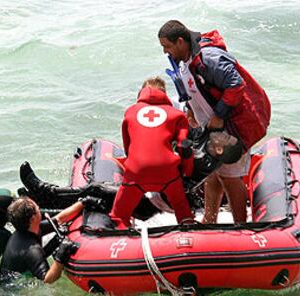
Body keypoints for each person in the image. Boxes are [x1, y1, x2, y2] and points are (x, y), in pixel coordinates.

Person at [158, 20, 271, 223]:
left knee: (229, 177)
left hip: (233, 127)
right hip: (211, 127)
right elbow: (195, 89)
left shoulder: (209, 59)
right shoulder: (185, 60)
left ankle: (240, 225)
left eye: (167, 47)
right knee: (212, 174)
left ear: (181, 42)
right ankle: (210, 219)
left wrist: (218, 115)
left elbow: (236, 85)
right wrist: (191, 111)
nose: (166, 52)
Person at [108, 77, 194, 228]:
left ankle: (124, 244)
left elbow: (128, 148)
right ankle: (189, 239)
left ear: (140, 93)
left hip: (136, 172)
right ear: (164, 94)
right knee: (183, 212)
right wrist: (186, 172)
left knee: (119, 216)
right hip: (168, 173)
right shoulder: (176, 114)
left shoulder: (130, 113)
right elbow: (184, 146)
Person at [0, 195, 100, 283]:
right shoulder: (32, 250)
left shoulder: (27, 228)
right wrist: (61, 255)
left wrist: (83, 202)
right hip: (8, 286)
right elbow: (47, 279)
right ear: (33, 219)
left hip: (9, 271)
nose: (40, 209)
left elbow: (60, 219)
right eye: (38, 208)